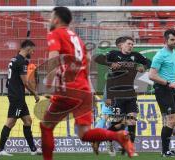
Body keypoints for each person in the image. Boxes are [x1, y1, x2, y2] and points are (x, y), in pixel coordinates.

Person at [40, 7, 134, 160]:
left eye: (51, 17)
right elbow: (88, 59)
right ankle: (118, 136)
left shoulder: (55, 34)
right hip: (83, 91)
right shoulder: (76, 37)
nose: (49, 20)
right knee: (84, 134)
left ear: (56, 19)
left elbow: (54, 58)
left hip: (67, 90)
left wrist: (49, 82)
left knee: (46, 126)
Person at [94, 36, 151, 156]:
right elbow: (97, 58)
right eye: (129, 44)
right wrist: (110, 63)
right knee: (117, 125)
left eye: (132, 44)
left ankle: (130, 149)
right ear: (121, 45)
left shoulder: (135, 56)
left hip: (130, 93)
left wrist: (143, 67)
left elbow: (149, 62)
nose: (131, 46)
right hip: (116, 95)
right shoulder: (114, 54)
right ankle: (104, 140)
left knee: (131, 121)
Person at [0, 40, 40, 156]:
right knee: (11, 122)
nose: (33, 52)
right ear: (28, 48)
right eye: (32, 49)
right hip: (17, 96)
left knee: (28, 121)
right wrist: (35, 93)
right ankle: (0, 150)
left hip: (16, 94)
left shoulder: (13, 59)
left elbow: (11, 79)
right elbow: (25, 82)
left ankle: (33, 150)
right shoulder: (22, 62)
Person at [149, 29, 175, 157]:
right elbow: (151, 75)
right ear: (165, 40)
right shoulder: (160, 55)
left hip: (171, 89)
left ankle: (166, 150)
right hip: (162, 89)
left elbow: (173, 72)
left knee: (169, 121)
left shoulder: (174, 53)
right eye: (172, 40)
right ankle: (165, 151)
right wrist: (167, 83)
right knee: (171, 120)